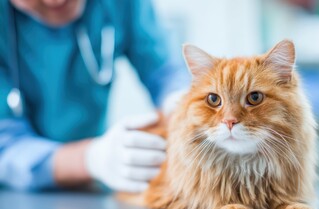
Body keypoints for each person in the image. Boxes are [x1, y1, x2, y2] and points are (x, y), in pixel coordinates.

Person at [0, 0, 189, 191]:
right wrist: (91, 159)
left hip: (94, 190)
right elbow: (5, 149)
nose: (56, 1)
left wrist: (179, 103)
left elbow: (164, 69)